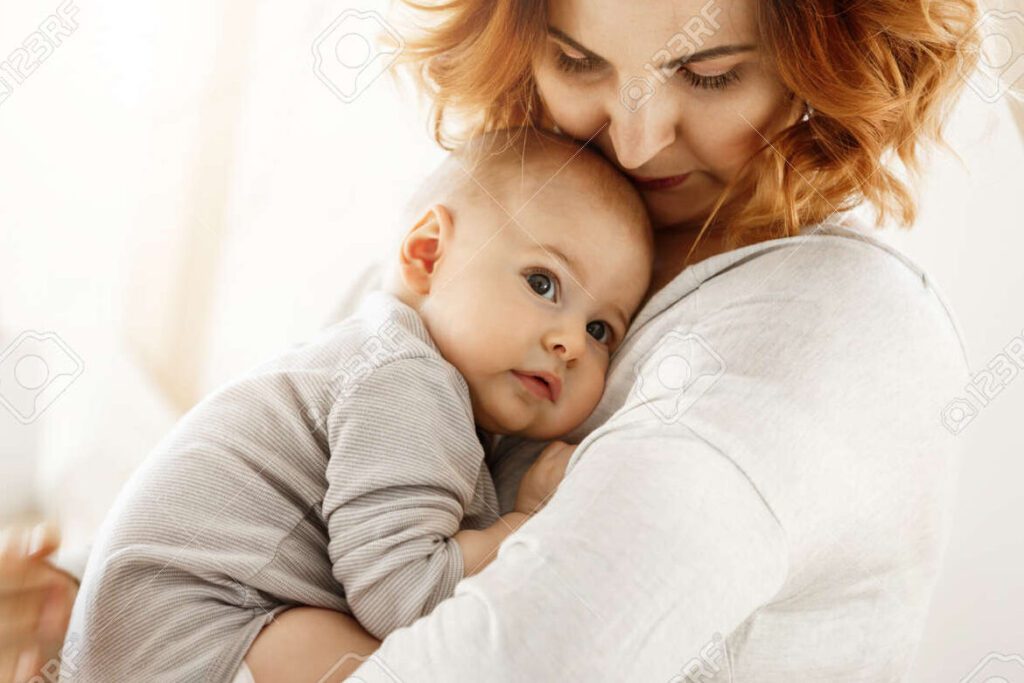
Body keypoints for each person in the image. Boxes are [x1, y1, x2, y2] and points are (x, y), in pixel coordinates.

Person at [2, 0, 981, 680]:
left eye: (710, 71)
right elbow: (284, 481)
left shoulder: (820, 337)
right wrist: (73, 598)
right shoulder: (476, 242)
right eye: (578, 60)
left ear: (827, 52)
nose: (635, 141)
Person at [62, 129, 653, 682]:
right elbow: (404, 595)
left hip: (127, 635)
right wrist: (522, 527)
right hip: (190, 634)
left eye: (602, 330)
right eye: (543, 283)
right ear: (427, 254)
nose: (572, 344)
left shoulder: (375, 354)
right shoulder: (409, 382)